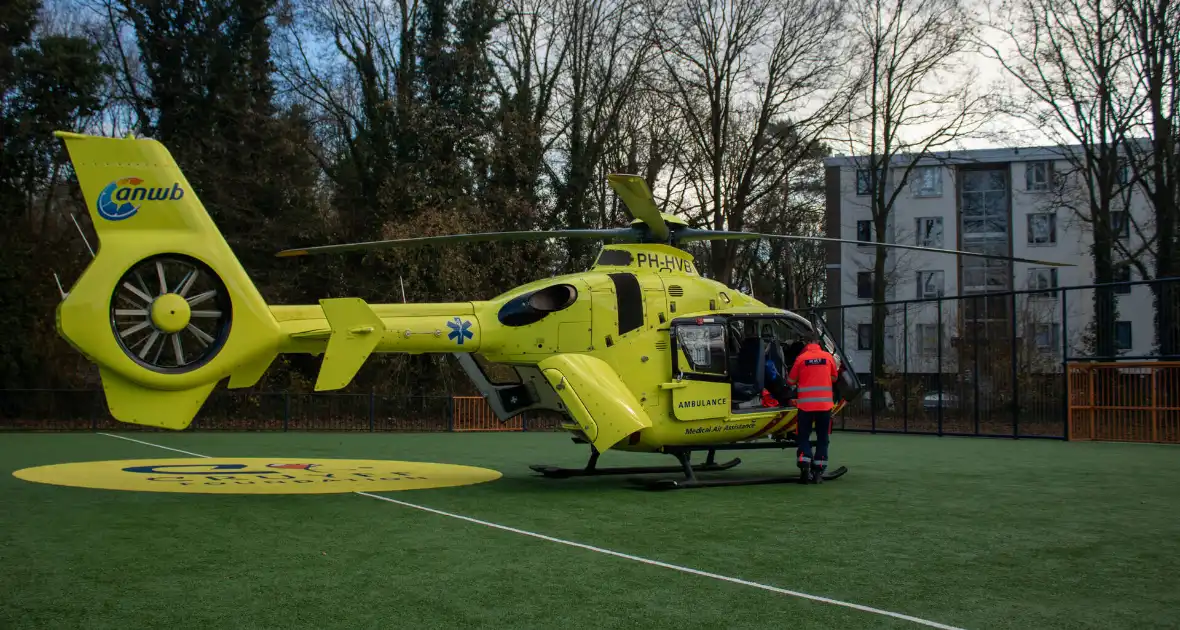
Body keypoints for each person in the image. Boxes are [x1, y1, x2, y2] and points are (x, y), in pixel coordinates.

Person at [785, 332, 839, 483]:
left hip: (806, 406)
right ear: (817, 342)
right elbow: (834, 377)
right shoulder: (828, 357)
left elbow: (790, 381)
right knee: (823, 437)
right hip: (824, 406)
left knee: (803, 436)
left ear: (806, 344)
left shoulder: (801, 359)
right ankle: (819, 471)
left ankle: (804, 463)